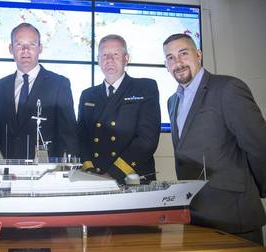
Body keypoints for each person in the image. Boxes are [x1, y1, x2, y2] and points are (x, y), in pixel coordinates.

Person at [163, 33, 266, 245]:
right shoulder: (172, 101)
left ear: (199, 54)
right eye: (171, 57)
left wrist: (254, 189)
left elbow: (259, 145)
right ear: (166, 65)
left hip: (232, 213)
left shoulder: (228, 88)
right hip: (194, 213)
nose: (178, 62)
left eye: (183, 53)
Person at [0, 23, 79, 159]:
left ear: (40, 48)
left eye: (32, 44)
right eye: (19, 44)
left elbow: (68, 135)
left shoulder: (59, 84)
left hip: (46, 171)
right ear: (11, 49)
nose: (25, 50)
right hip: (6, 170)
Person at [77, 34, 161, 185]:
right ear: (98, 60)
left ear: (126, 58)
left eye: (115, 54)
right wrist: (89, 169)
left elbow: (147, 140)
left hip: (132, 176)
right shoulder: (87, 95)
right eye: (104, 55)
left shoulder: (145, 88)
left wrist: (113, 174)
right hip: (96, 177)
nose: (109, 59)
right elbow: (81, 138)